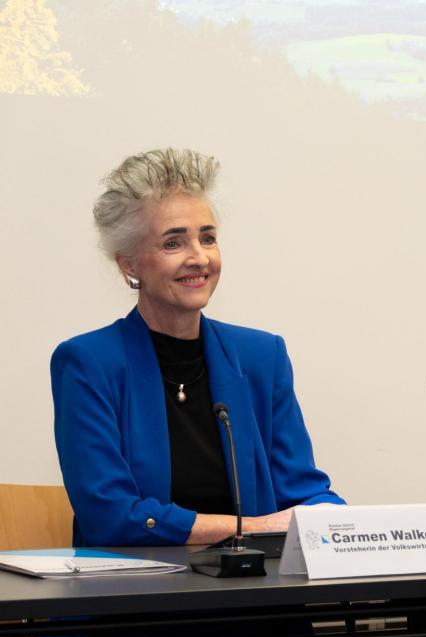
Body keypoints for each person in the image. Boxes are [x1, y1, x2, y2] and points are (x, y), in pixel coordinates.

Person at [51, 148, 343, 548]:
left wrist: (335, 520)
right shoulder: (89, 363)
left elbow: (306, 491)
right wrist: (251, 528)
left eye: (208, 238)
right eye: (174, 243)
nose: (200, 257)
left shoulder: (262, 356)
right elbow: (111, 516)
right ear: (129, 264)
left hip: (253, 582)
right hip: (138, 583)